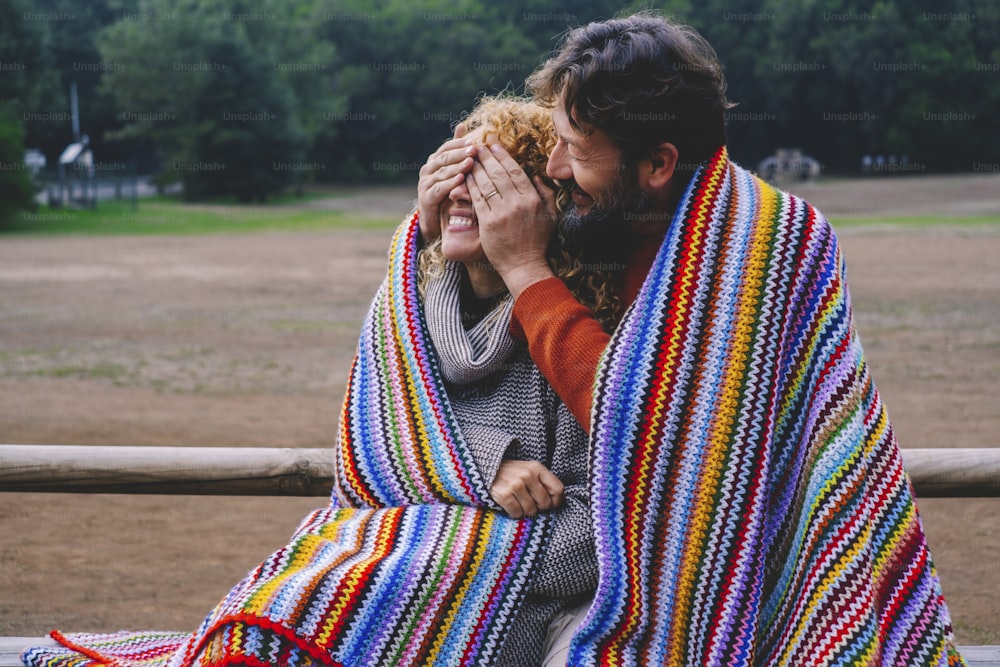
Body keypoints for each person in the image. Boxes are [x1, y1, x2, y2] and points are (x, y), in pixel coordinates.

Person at [427, 11, 968, 667]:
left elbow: (651, 430)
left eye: (575, 144)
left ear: (658, 164)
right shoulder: (613, 220)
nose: (559, 165)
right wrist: (437, 230)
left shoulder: (761, 243)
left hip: (778, 584)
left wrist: (525, 270)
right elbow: (468, 364)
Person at [21, 97, 599, 667]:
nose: (461, 193)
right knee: (270, 614)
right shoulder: (404, 320)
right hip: (371, 562)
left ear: (540, 207)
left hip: (482, 608)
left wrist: (446, 548)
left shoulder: (572, 332)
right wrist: (476, 470)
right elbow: (367, 451)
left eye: (494, 183)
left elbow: (602, 528)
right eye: (455, 171)